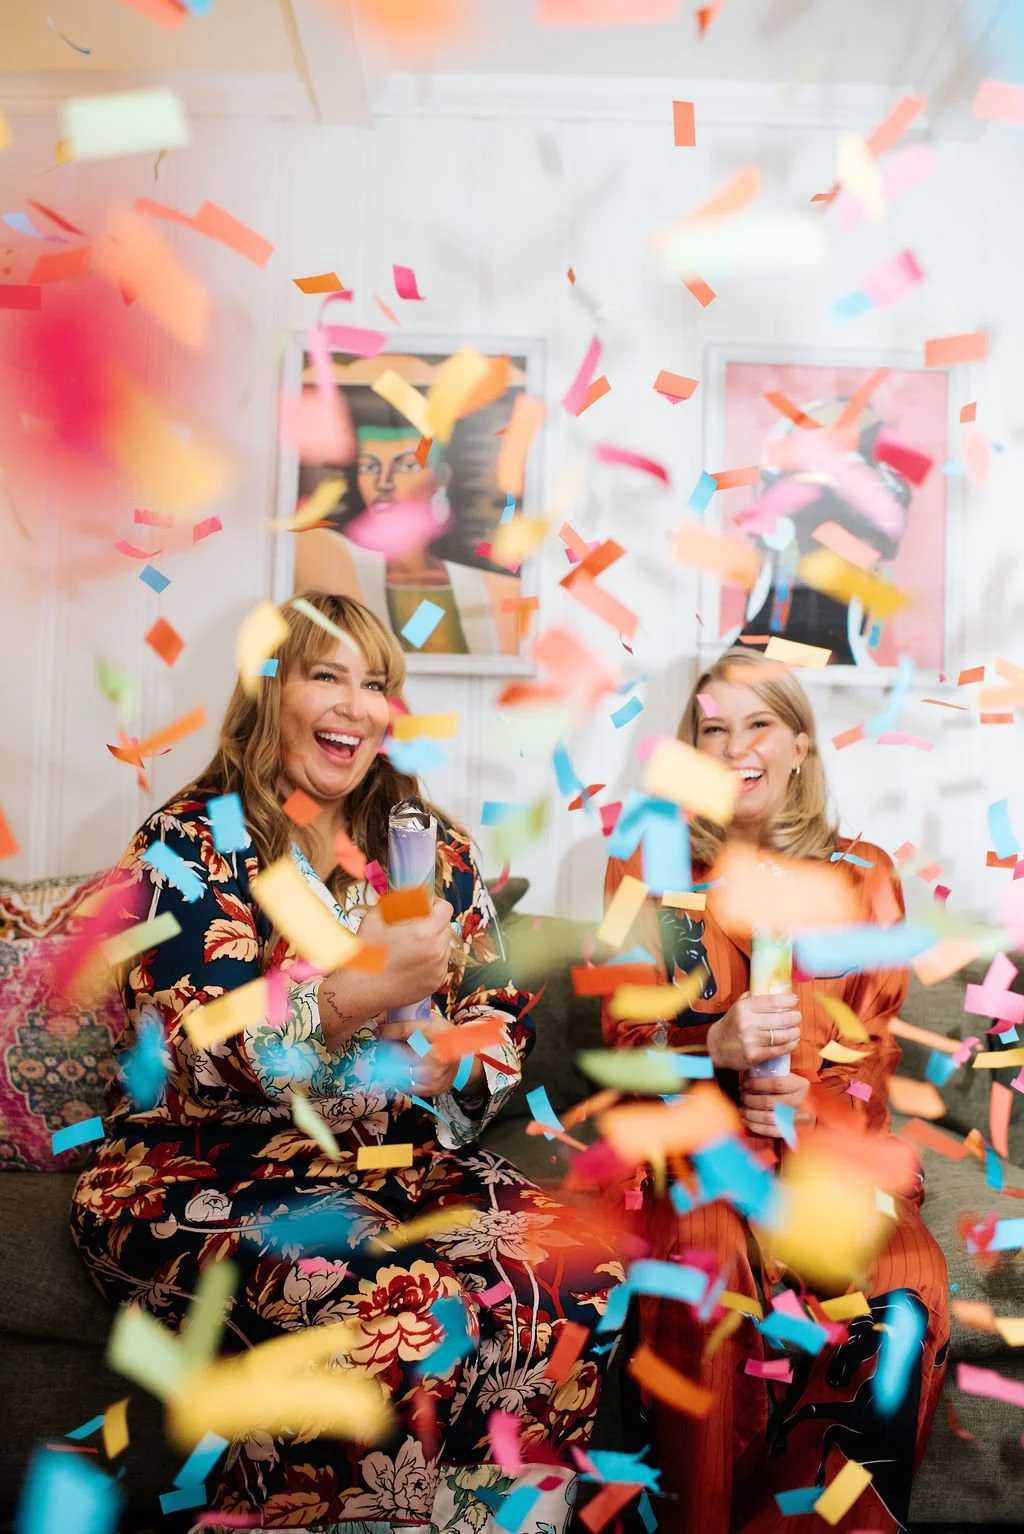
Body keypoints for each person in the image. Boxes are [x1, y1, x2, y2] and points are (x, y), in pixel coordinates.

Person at [71, 590, 619, 1534]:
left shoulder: (433, 847)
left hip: (397, 1164)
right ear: (270, 689)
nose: (358, 707)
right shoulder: (186, 846)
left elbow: (499, 1014)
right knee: (403, 1313)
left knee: (582, 1267)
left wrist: (452, 1059)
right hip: (200, 1170)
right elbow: (192, 1047)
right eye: (329, 676)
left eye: (379, 684)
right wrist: (352, 996)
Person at [602, 646, 949, 1534]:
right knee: (706, 1264)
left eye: (758, 723)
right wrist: (706, 1046)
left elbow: (873, 1060)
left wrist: (814, 1105)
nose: (733, 747)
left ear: (800, 742)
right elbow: (626, 1046)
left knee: (906, 1283)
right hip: (695, 1153)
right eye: (712, 728)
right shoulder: (652, 867)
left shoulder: (863, 875)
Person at [294, 388, 519, 657]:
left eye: (406, 466)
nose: (383, 482)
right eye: (369, 466)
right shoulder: (333, 562)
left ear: (441, 478)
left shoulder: (492, 587)